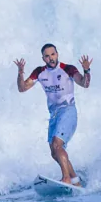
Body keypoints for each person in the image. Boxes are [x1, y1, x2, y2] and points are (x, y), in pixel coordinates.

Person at [14, 43, 92, 186]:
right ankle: (75, 181)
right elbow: (22, 88)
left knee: (57, 146)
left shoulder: (67, 69)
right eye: (47, 56)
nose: (51, 58)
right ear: (43, 58)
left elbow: (84, 84)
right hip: (54, 114)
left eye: (53, 54)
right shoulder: (39, 72)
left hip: (68, 111)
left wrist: (86, 70)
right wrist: (20, 73)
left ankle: (66, 178)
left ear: (57, 54)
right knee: (54, 152)